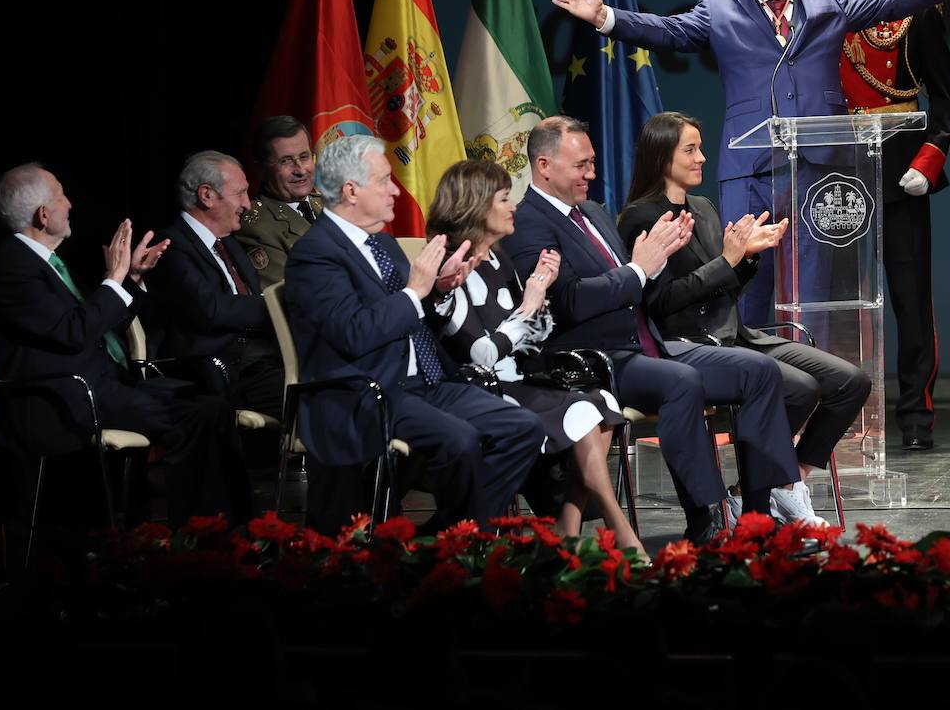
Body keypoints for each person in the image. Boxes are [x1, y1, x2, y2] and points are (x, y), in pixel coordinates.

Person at [548, 0, 950, 324]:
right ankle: (748, 379)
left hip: (820, 168)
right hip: (751, 169)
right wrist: (605, 17)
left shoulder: (827, 0)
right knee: (745, 281)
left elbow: (890, 1)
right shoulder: (719, 9)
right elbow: (668, 31)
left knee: (814, 292)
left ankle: (813, 380)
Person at [502, 116, 799, 543]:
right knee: (681, 382)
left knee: (759, 372)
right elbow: (569, 301)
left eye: (592, 163)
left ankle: (756, 516)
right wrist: (640, 269)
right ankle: (707, 519)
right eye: (581, 165)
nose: (592, 174)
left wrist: (655, 262)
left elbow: (639, 282)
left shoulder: (593, 212)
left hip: (646, 344)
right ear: (544, 166)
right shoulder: (528, 222)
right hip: (594, 360)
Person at [618, 112, 871, 524]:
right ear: (662, 157)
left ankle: (784, 483)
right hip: (684, 344)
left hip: (733, 335)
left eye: (700, 148)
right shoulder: (641, 217)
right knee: (800, 389)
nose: (701, 157)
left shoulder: (703, 209)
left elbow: (724, 290)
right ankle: (759, 499)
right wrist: (727, 260)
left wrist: (747, 258)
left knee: (850, 381)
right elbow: (660, 303)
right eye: (690, 150)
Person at [283, 135, 542, 531]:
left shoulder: (383, 244)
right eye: (384, 181)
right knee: (459, 440)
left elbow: (411, 312)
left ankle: (454, 533)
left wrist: (438, 291)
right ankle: (464, 540)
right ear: (351, 191)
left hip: (425, 382)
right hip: (368, 391)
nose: (394, 190)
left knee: (523, 428)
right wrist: (415, 291)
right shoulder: (315, 254)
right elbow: (353, 333)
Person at [0, 163, 250, 529]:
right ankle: (201, 537)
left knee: (212, 404)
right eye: (62, 196)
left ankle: (230, 531)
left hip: (105, 387)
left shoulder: (48, 263)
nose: (70, 204)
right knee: (198, 416)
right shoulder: (14, 266)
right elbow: (74, 333)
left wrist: (132, 278)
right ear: (43, 214)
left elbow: (100, 326)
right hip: (66, 399)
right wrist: (114, 278)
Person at [428, 160, 645, 555]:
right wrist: (528, 307)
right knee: (584, 413)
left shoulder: (499, 259)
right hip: (482, 390)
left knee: (600, 402)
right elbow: (480, 354)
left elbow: (531, 339)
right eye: (503, 199)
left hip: (519, 378)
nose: (513, 206)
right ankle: (615, 528)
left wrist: (539, 296)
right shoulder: (453, 267)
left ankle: (569, 527)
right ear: (476, 206)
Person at [835, 0, 950, 451]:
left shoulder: (918, 5)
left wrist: (928, 163)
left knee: (909, 295)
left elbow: (944, 98)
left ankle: (915, 417)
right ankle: (840, 414)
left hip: (902, 163)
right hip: (839, 169)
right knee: (841, 298)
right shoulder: (822, 4)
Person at [150, 150, 284, 417]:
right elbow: (209, 308)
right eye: (240, 193)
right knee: (323, 397)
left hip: (263, 362)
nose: (247, 204)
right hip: (220, 375)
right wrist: (279, 304)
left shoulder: (230, 245)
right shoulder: (170, 246)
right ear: (207, 195)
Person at [235, 116, 323, 291]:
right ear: (261, 170)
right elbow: (291, 295)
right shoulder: (257, 227)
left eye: (304, 156)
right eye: (285, 161)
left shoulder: (333, 205)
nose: (300, 170)